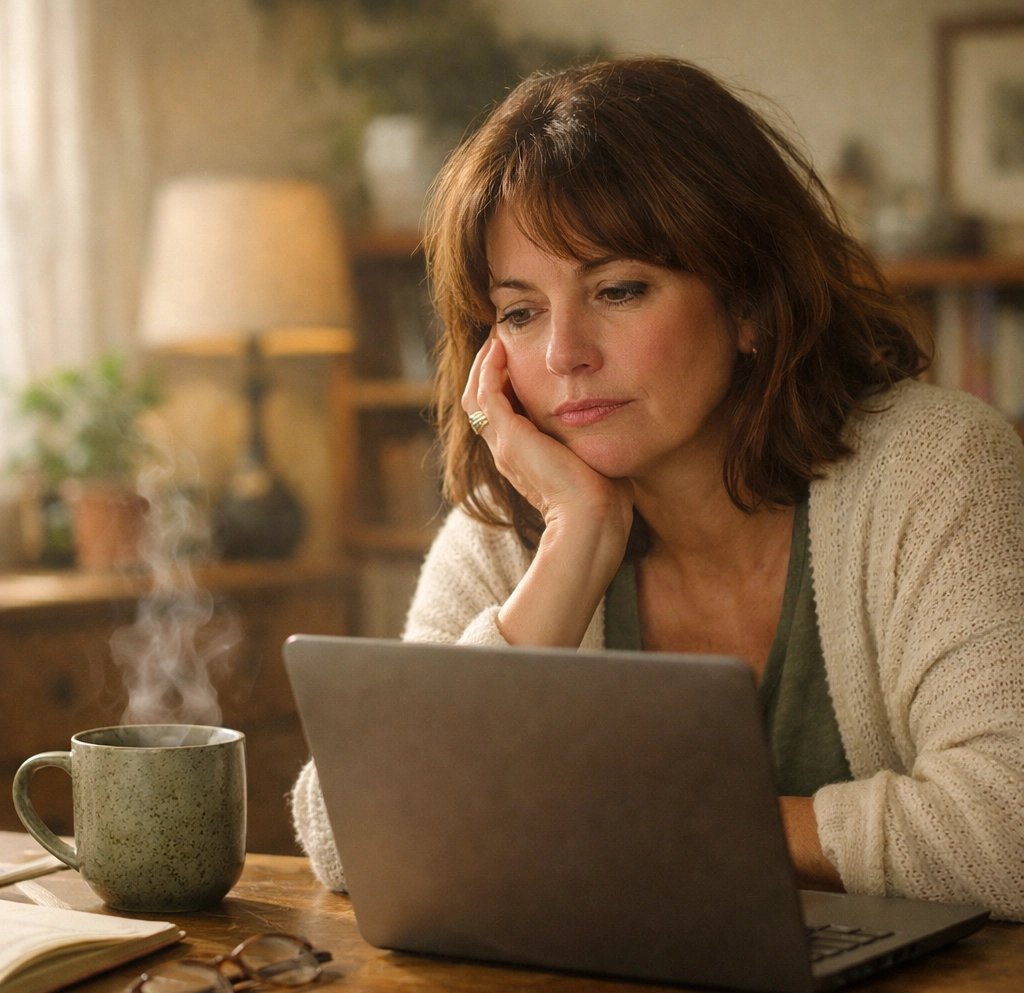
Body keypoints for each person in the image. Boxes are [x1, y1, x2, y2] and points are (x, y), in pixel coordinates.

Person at [292, 57, 1024, 919]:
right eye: (521, 311)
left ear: (751, 303)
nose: (565, 352)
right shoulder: (517, 520)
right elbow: (348, 833)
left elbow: (1005, 832)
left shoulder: (934, 465)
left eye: (618, 289)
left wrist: (633, 826)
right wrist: (574, 547)